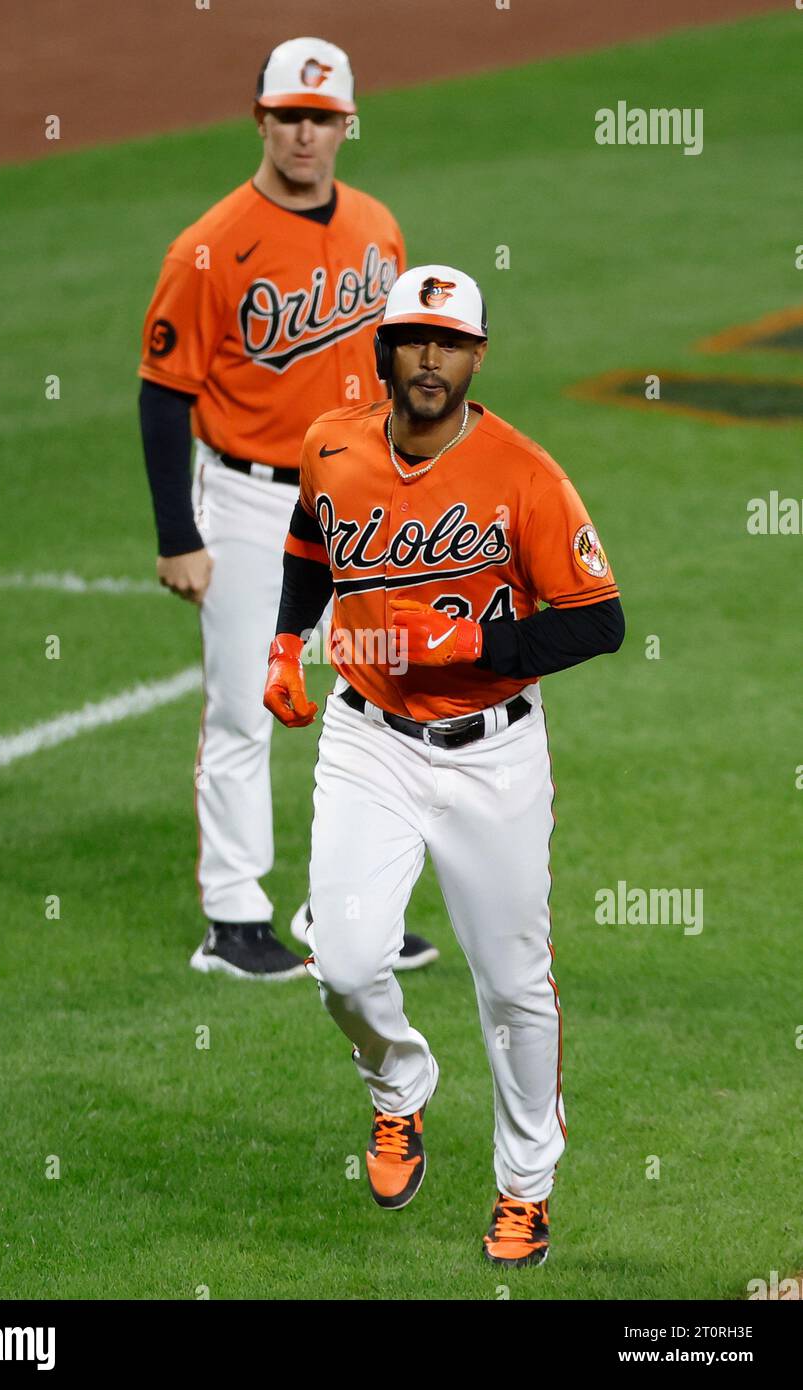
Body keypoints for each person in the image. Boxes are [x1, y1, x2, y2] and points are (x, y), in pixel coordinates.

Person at [263, 264, 625, 1265]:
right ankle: (398, 1085)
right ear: (382, 350)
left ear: (476, 355)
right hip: (365, 737)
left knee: (512, 985)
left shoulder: (521, 472)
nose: (430, 357)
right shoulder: (330, 443)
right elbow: (310, 539)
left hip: (492, 755)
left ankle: (524, 1190)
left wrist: (473, 650)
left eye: (449, 341)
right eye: (413, 338)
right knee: (340, 960)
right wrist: (284, 642)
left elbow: (598, 621)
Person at [137, 37, 438, 979]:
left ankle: (336, 908)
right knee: (243, 705)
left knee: (367, 700)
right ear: (259, 118)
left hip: (356, 499)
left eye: (320, 117)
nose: (303, 134)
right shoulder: (209, 244)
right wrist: (176, 535)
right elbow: (161, 390)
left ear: (346, 124)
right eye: (286, 115)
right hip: (244, 498)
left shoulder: (379, 229)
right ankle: (233, 918)